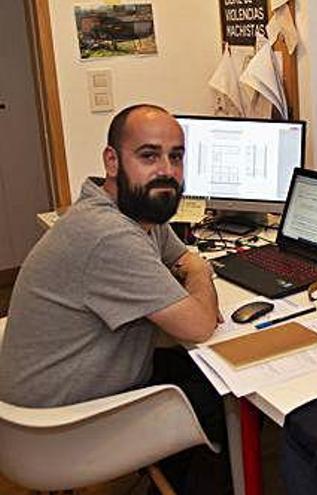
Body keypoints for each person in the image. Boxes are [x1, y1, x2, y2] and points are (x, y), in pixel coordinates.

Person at [0, 104, 227, 493]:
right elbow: (201, 323)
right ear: (111, 160)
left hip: (45, 396)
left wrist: (190, 268)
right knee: (224, 394)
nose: (167, 171)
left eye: (176, 156)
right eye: (149, 155)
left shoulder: (133, 211)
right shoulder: (109, 234)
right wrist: (202, 272)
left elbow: (181, 257)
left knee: (197, 367)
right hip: (54, 429)